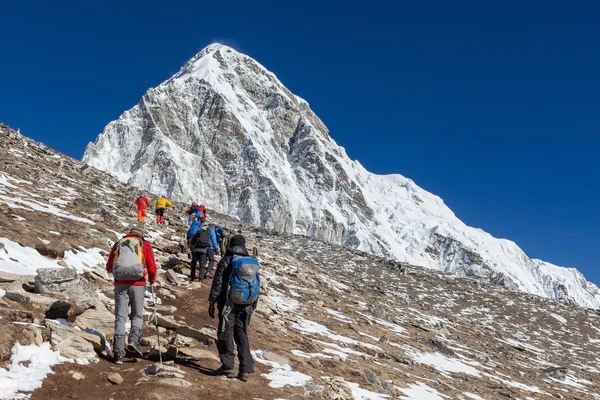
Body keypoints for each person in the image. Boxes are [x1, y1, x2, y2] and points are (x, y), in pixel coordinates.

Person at [208, 234, 257, 382]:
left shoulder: (227, 260)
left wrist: (212, 301)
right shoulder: (251, 262)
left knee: (225, 332)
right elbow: (255, 285)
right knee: (241, 333)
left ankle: (228, 367)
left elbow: (218, 282)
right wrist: (253, 304)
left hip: (228, 303)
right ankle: (245, 370)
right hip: (246, 304)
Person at [106, 226, 156, 365]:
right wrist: (152, 280)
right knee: (136, 315)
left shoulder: (119, 244)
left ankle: (118, 353)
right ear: (140, 234)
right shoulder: (144, 244)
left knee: (120, 317)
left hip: (120, 284)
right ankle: (134, 341)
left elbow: (109, 266)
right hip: (138, 284)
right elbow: (151, 266)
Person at [189, 218, 212, 282]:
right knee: (202, 265)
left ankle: (192, 277)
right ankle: (200, 279)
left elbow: (192, 241)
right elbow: (210, 244)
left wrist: (192, 247)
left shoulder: (197, 232)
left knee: (193, 263)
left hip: (195, 250)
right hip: (203, 251)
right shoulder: (207, 234)